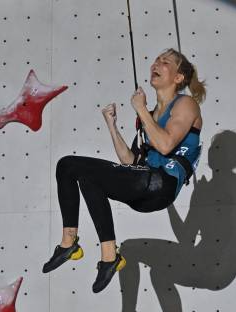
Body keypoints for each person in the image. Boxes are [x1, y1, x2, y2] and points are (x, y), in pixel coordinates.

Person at [42, 48, 206, 293]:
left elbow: (165, 144)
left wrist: (140, 109)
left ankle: (77, 247)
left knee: (71, 165)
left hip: (161, 185)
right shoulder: (149, 116)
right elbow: (130, 162)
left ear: (178, 78)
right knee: (78, 173)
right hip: (143, 188)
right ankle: (103, 254)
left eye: (165, 62)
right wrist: (112, 126)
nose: (157, 63)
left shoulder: (186, 104)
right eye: (156, 59)